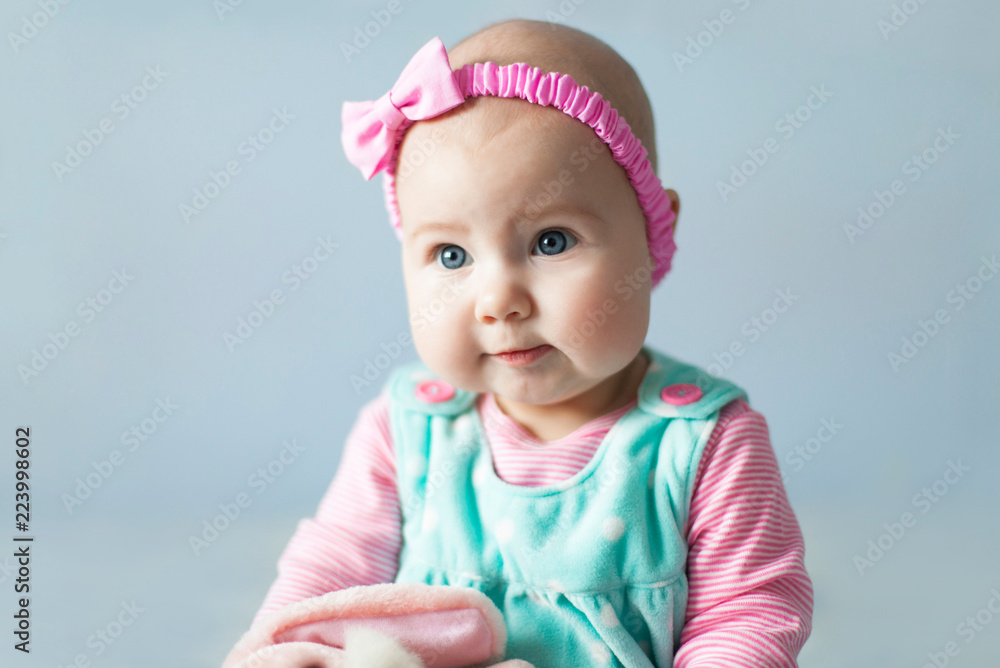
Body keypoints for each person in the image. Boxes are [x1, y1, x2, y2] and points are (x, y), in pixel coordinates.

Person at [248, 19, 813, 667]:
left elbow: (749, 616)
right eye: (451, 254)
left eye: (552, 241)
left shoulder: (705, 444)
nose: (499, 301)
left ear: (655, 229)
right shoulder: (406, 433)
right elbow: (330, 576)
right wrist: (278, 651)